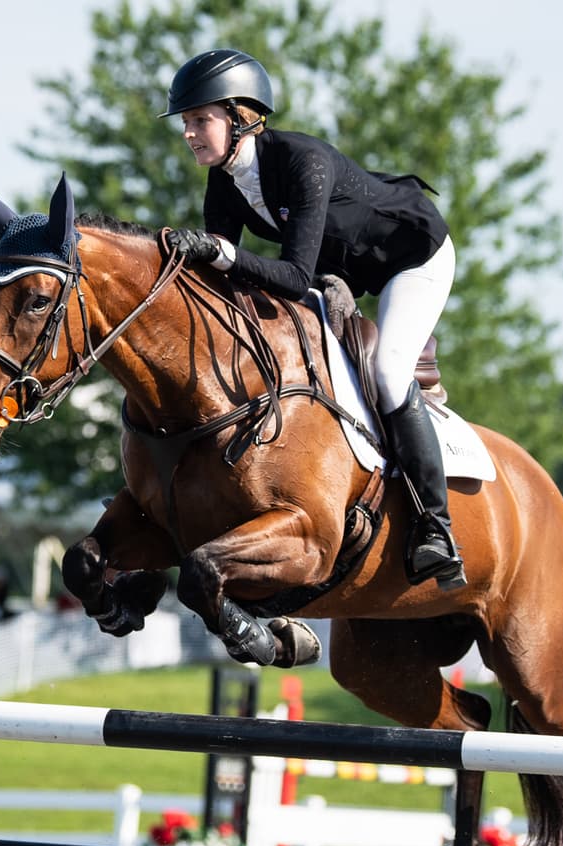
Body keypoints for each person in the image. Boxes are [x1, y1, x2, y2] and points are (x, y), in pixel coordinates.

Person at [161, 48, 466, 591]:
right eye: (186, 122)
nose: (189, 133)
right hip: (341, 266)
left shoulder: (304, 161)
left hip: (412, 256)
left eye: (200, 119)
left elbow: (293, 274)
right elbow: (225, 283)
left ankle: (435, 529)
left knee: (389, 373)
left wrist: (221, 253)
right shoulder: (224, 183)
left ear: (242, 117)